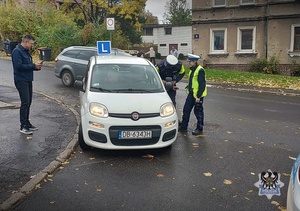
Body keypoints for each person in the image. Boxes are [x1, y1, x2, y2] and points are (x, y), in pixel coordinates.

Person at [12, 34, 42, 135]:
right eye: (31, 43)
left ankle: (27, 123)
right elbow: (18, 66)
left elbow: (27, 66)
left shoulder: (26, 52)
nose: (32, 46)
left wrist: (35, 67)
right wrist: (33, 66)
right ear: (25, 42)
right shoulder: (17, 51)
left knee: (28, 102)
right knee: (25, 103)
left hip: (28, 79)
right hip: (21, 80)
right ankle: (23, 126)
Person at [178, 53, 207, 136]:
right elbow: (193, 81)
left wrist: (198, 96)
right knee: (186, 110)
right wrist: (189, 86)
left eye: (190, 61)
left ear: (195, 62)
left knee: (198, 112)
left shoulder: (200, 70)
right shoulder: (192, 69)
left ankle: (199, 128)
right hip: (191, 94)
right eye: (189, 61)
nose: (189, 63)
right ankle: (183, 127)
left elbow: (202, 84)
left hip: (197, 95)